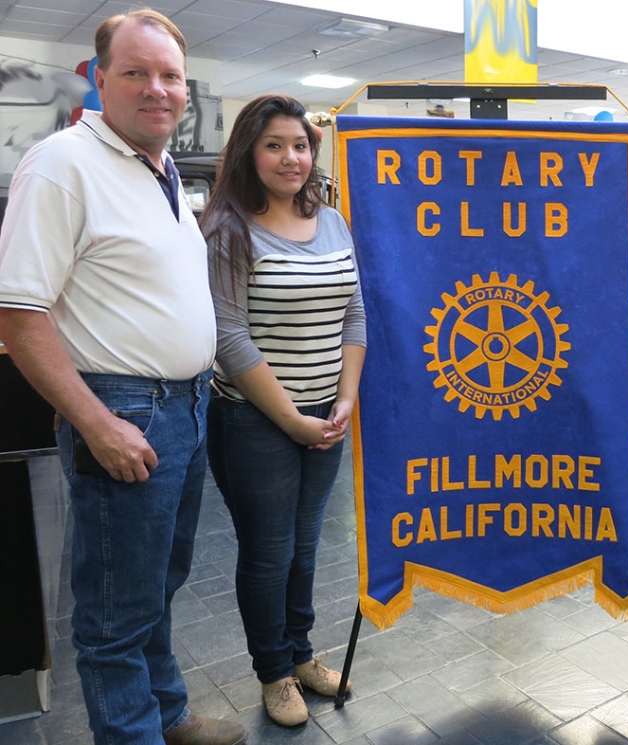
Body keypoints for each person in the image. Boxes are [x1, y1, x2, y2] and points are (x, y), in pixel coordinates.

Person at [0, 9, 246, 745]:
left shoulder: (162, 167)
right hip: (124, 407)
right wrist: (96, 421)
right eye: (136, 72)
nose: (157, 89)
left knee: (156, 585)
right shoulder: (62, 164)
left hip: (187, 406)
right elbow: (17, 313)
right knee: (112, 614)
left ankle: (167, 713)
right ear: (99, 78)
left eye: (170, 75)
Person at [200, 94, 366, 727]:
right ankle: (273, 671)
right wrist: (294, 419)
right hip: (253, 418)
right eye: (274, 145)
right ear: (249, 151)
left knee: (304, 546)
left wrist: (344, 397)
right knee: (268, 552)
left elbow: (354, 310)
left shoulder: (331, 220)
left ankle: (301, 655)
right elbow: (229, 335)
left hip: (326, 412)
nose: (290, 157)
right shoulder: (226, 227)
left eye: (299, 144)